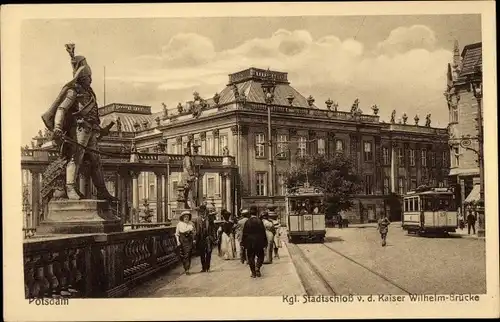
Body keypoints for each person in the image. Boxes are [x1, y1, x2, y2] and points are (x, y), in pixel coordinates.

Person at [41, 43, 116, 202]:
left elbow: (93, 116)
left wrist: (105, 127)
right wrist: (58, 127)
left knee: (96, 161)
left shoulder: (90, 93)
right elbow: (61, 109)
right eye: (87, 77)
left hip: (91, 130)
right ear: (81, 78)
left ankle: (102, 190)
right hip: (79, 129)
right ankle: (70, 188)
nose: (90, 79)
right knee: (76, 158)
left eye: (90, 77)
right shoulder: (73, 91)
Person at [241, 205, 267, 278]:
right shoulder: (259, 221)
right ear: (257, 212)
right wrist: (265, 242)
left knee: (250, 257)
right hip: (258, 241)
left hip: (249, 242)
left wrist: (243, 243)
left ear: (250, 212)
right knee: (261, 256)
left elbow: (244, 233)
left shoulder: (247, 222)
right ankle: (258, 267)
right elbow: (263, 232)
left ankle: (253, 273)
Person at [193, 205, 216, 272]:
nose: (202, 213)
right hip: (201, 239)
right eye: (201, 212)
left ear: (206, 211)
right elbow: (196, 231)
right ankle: (203, 268)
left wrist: (213, 237)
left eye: (203, 211)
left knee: (208, 253)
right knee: (202, 254)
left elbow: (213, 228)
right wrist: (195, 239)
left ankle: (208, 267)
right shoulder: (197, 219)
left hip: (208, 238)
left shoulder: (209, 219)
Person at [175, 211, 195, 275]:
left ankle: (187, 269)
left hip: (189, 240)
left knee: (188, 254)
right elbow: (177, 234)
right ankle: (186, 267)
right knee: (184, 255)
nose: (186, 218)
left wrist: (194, 238)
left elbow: (194, 232)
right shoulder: (179, 224)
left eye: (187, 217)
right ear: (182, 218)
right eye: (185, 217)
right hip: (182, 240)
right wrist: (178, 241)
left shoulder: (191, 224)